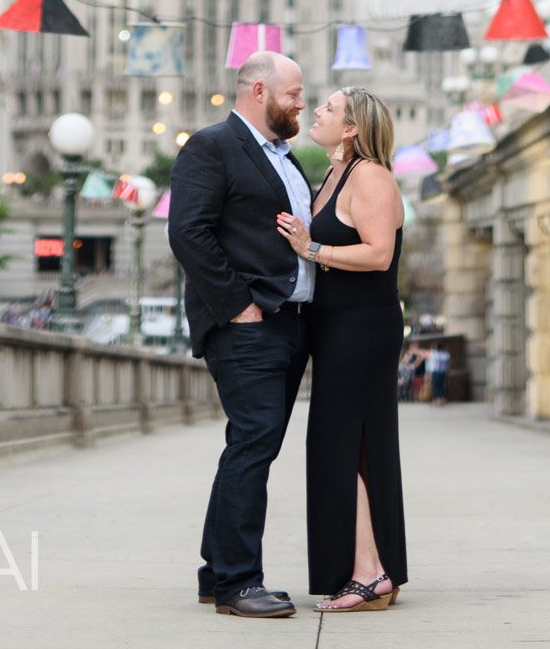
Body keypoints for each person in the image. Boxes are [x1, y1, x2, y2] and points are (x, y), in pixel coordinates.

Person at [168, 51, 314, 620]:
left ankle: (216, 572)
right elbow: (188, 233)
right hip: (248, 325)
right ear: (259, 90)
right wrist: (239, 308)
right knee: (253, 442)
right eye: (294, 92)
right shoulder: (211, 146)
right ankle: (236, 582)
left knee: (255, 444)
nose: (301, 102)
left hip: (289, 324)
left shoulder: (286, 157)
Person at [277, 86, 408, 614]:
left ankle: (369, 572)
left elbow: (378, 255)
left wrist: (310, 247)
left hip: (364, 327)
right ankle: (369, 567)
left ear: (351, 128)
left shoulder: (372, 176)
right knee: (341, 447)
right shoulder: (336, 173)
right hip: (335, 326)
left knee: (347, 445)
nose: (317, 111)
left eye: (329, 108)